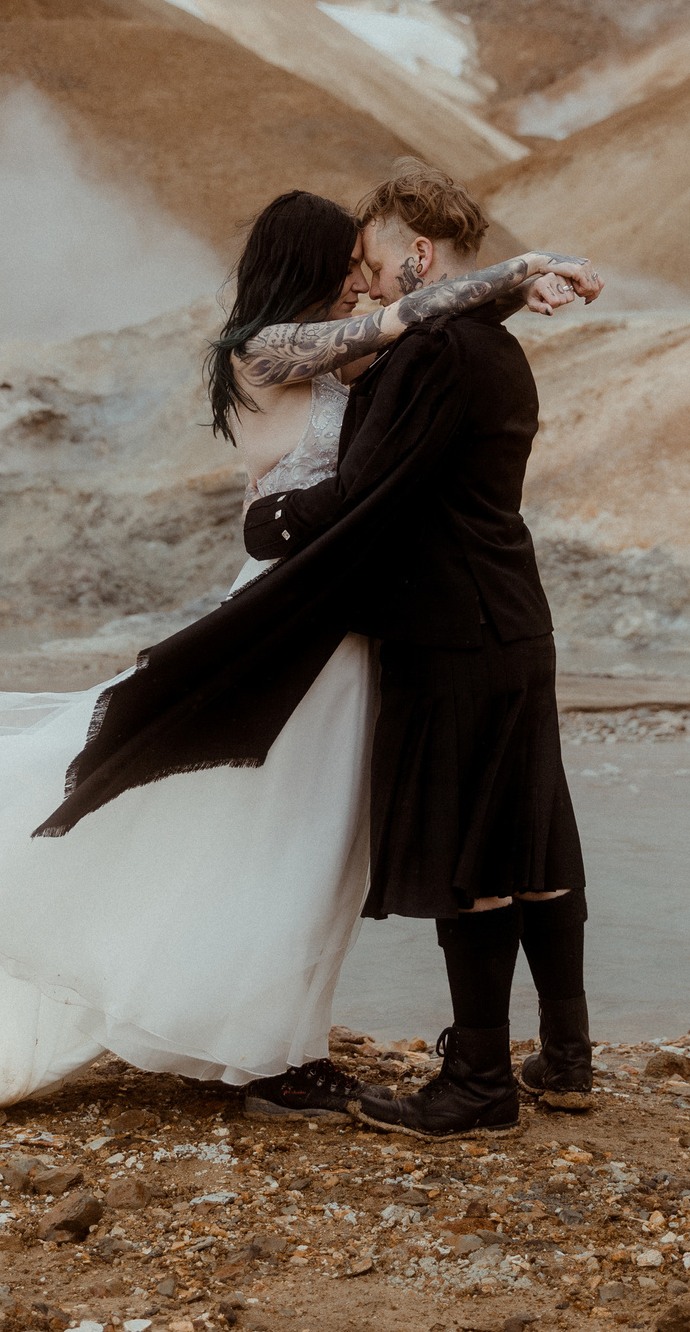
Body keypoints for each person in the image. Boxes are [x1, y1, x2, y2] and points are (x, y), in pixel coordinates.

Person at [0, 184, 595, 1135]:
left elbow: (431, 339)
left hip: (349, 605)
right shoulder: (268, 347)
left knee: (312, 834)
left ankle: (275, 1035)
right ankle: (267, 1044)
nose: (360, 282)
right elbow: (413, 329)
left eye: (367, 264)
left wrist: (513, 287)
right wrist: (522, 270)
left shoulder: (385, 344)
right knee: (272, 825)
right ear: (309, 265)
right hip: (302, 601)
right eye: (346, 266)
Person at [240, 161, 597, 1137]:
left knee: (470, 850)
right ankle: (566, 1057)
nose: (361, 278)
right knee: (531, 837)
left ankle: (477, 1080)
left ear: (419, 255)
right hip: (513, 615)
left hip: (449, 626)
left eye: (370, 258)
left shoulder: (432, 350)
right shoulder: (492, 345)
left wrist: (270, 525)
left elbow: (369, 488)